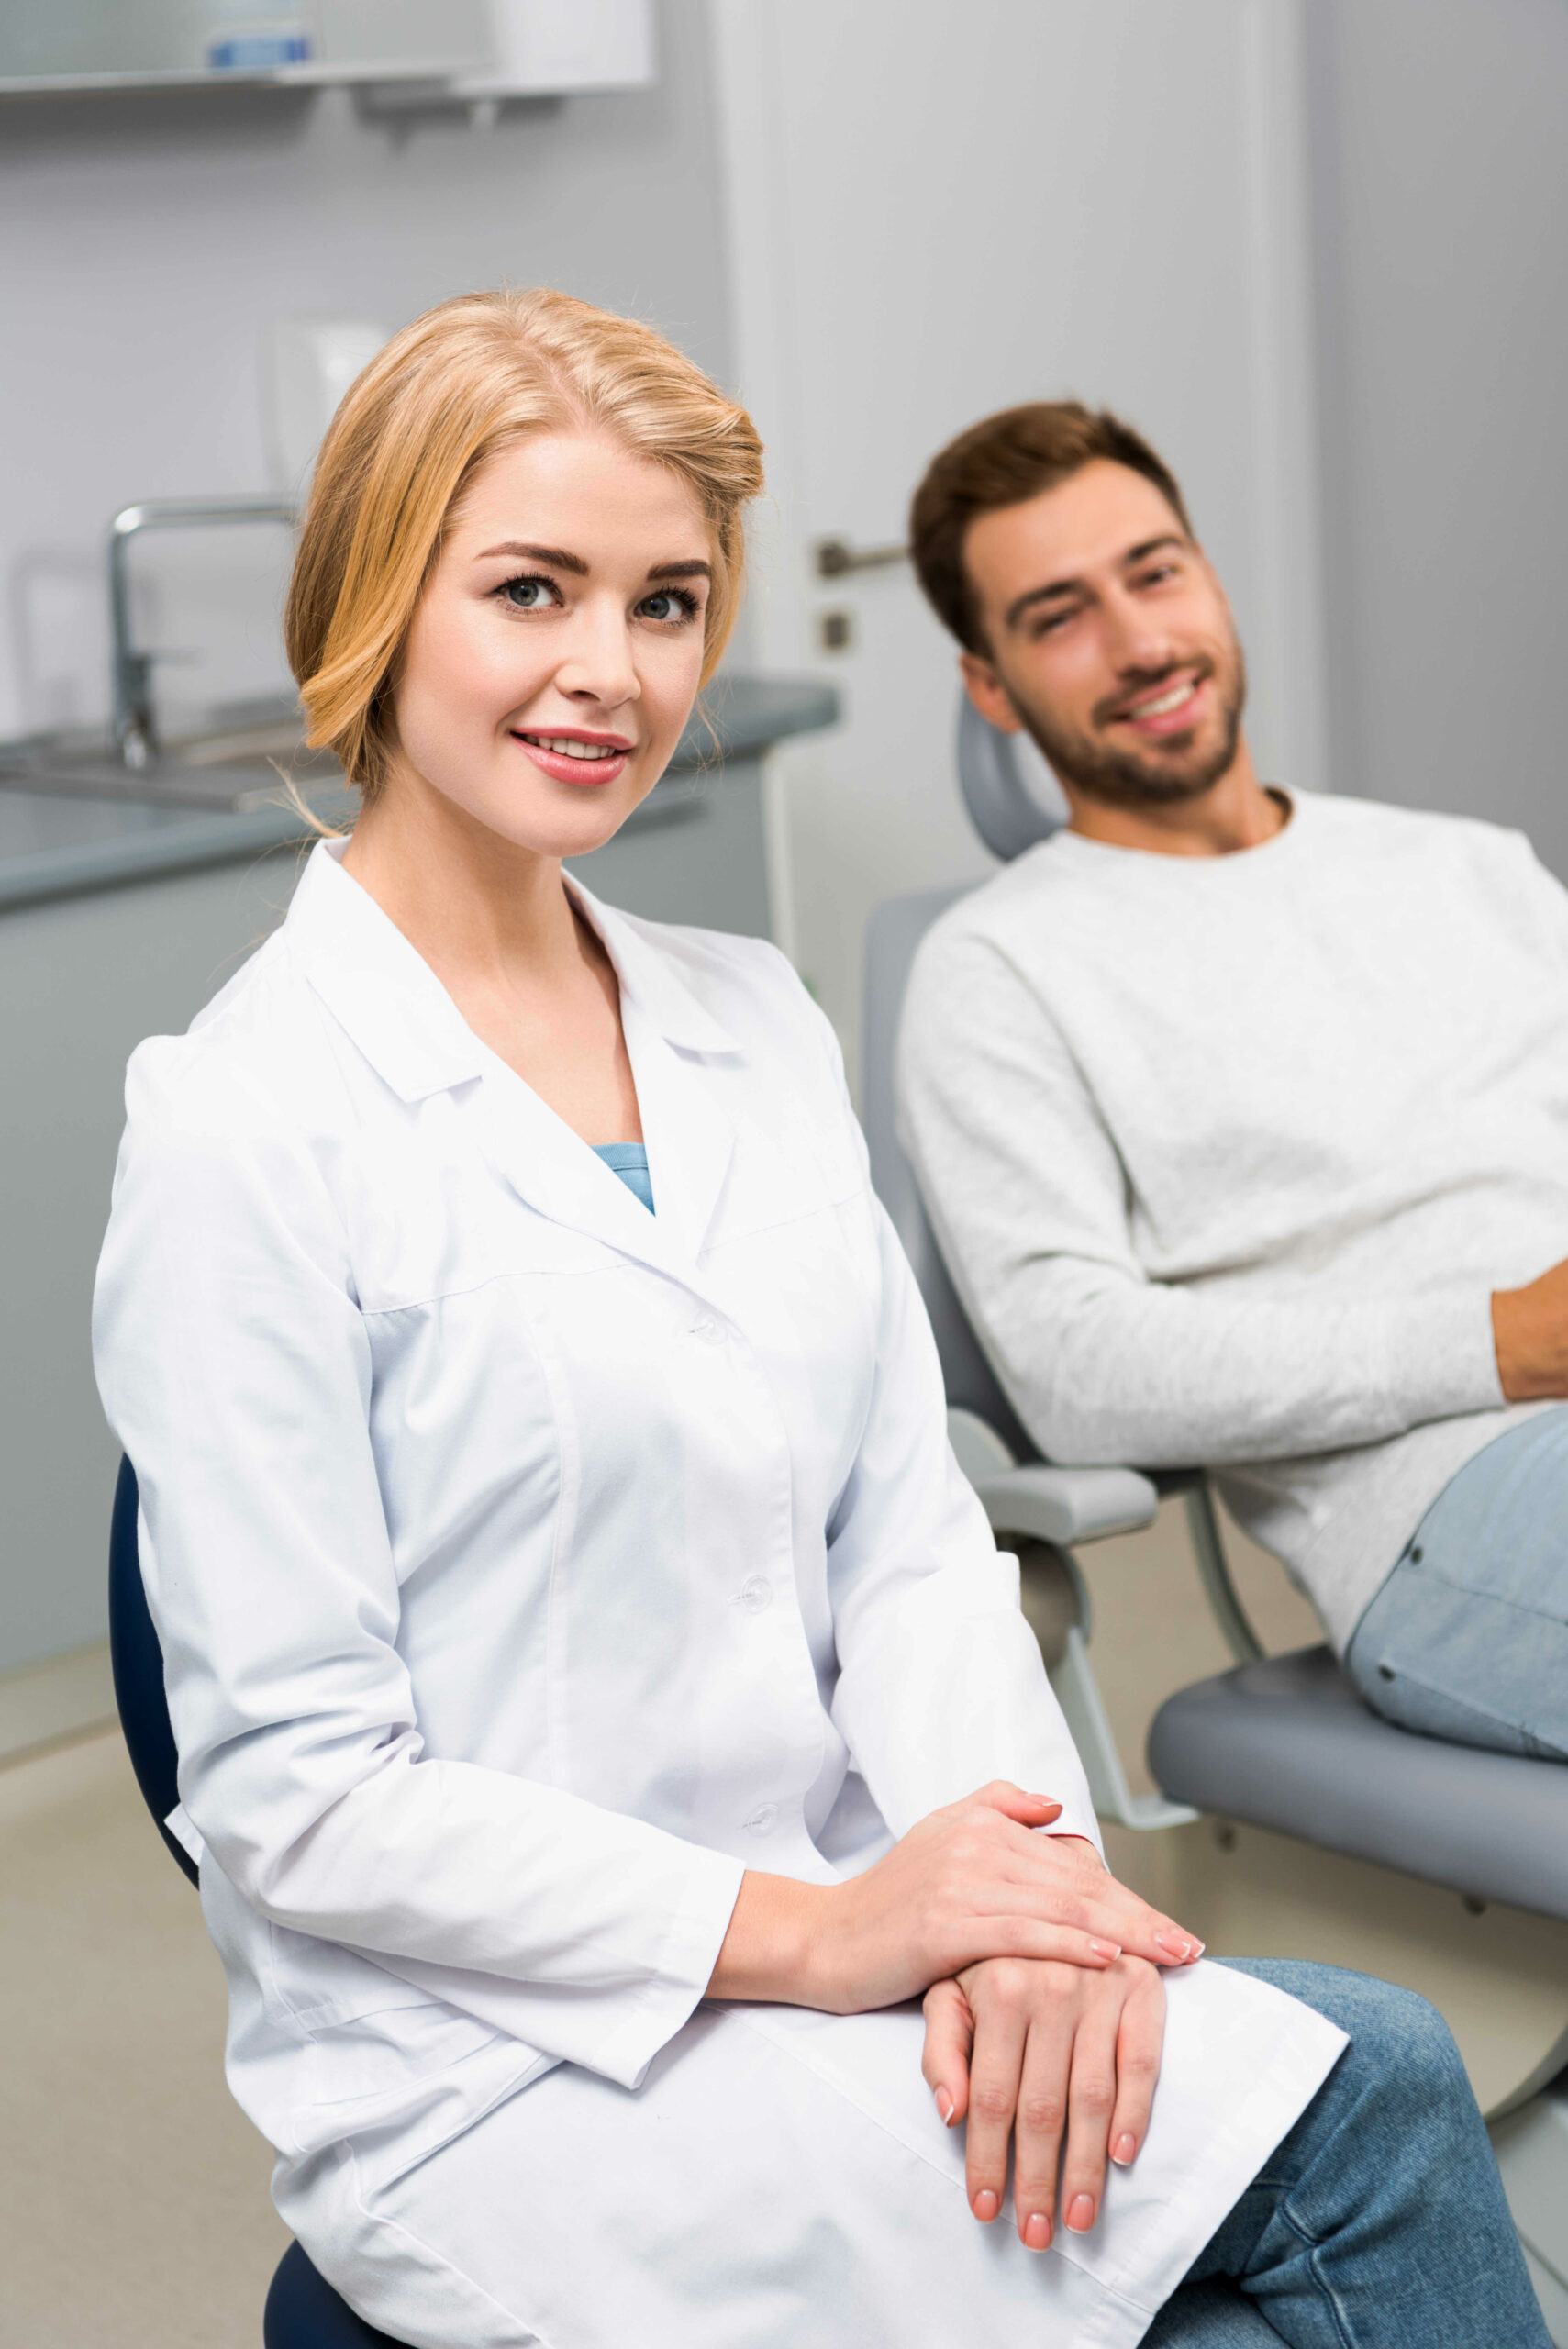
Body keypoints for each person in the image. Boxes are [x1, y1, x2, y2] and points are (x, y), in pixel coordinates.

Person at [93, 292, 1543, 2349]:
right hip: (517, 2066)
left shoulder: (748, 1021)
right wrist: (839, 1927)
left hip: (868, 1923)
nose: (615, 669)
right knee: (1376, 2090)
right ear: (378, 603)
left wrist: (1005, 1901)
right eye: (533, 590)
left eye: (667, 601)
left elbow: (908, 1537)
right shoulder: (244, 1120)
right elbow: (300, 1799)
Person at [898, 399, 1568, 1764]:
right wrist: (1497, 1341)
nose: (1141, 642)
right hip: (1455, 1500)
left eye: (1154, 573)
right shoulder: (998, 970)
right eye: (1059, 614)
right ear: (990, 684)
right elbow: (1077, 1369)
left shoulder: (1463, 868)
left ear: (1206, 575)